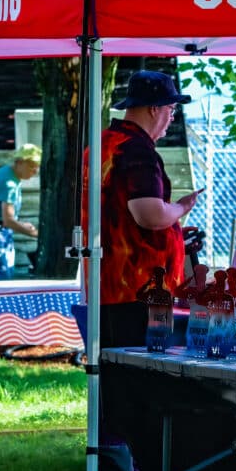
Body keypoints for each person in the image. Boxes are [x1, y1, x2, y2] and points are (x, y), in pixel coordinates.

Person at [81, 70, 202, 348]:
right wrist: (181, 207)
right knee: (140, 374)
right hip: (138, 289)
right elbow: (150, 215)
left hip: (107, 283)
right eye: (171, 110)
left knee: (113, 374)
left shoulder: (103, 144)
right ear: (153, 108)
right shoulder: (136, 150)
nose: (172, 119)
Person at [0, 144, 41, 279]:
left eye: (37, 166)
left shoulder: (9, 174)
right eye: (31, 165)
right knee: (3, 276)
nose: (35, 170)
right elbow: (9, 220)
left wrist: (21, 224)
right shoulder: (9, 183)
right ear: (19, 162)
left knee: (7, 273)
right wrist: (37, 234)